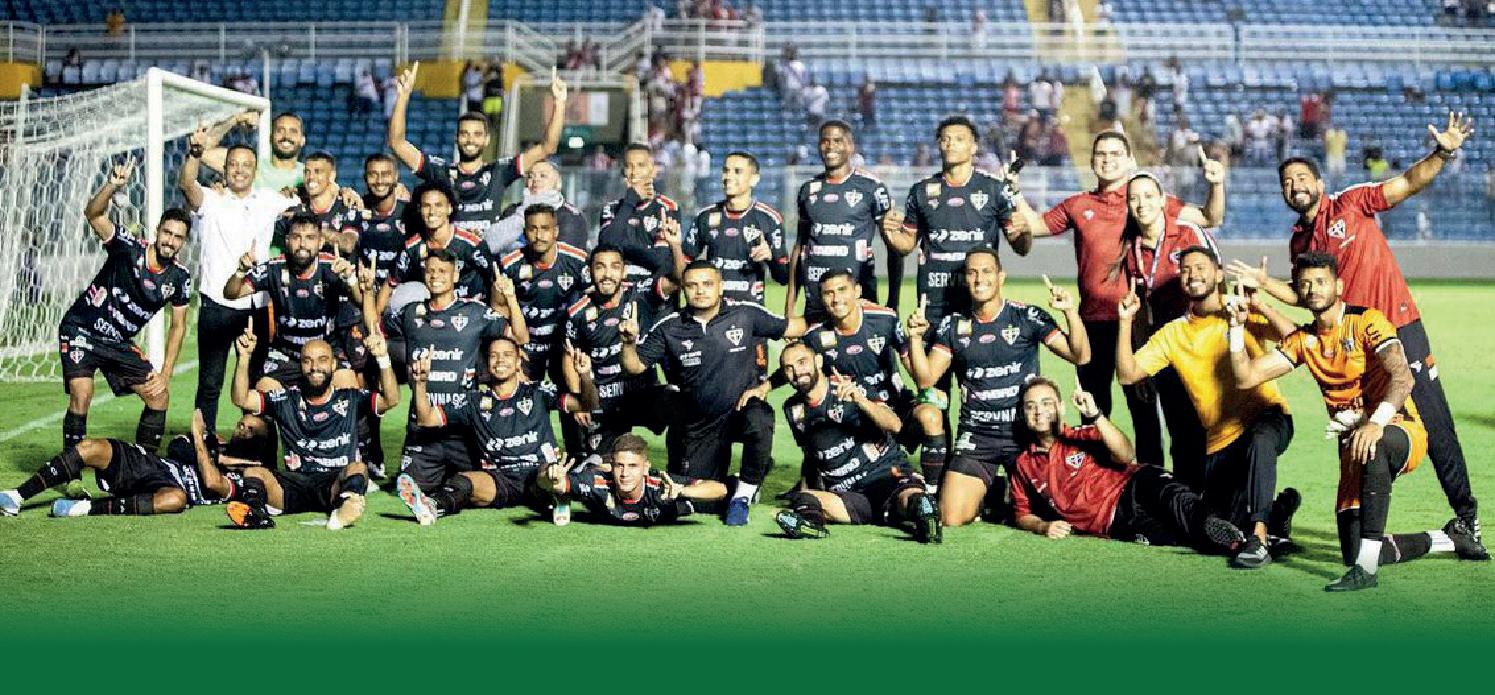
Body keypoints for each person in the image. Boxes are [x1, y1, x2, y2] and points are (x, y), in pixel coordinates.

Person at [1230, 112, 1481, 540]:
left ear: (1319, 183)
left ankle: (1466, 519)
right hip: (1353, 343)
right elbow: (1306, 294)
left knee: (1434, 421)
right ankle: (1361, 529)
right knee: (1358, 427)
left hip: (1398, 327)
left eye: (1301, 178)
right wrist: (1265, 284)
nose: (1295, 186)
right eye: (1287, 183)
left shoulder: (1351, 202)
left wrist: (1442, 153)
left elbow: (1408, 182)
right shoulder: (1299, 242)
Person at [1228, 251, 1487, 590]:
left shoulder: (1368, 321)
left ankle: (1365, 572)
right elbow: (1246, 377)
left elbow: (1403, 377)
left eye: (1320, 282)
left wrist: (1376, 422)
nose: (1313, 289)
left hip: (1398, 427)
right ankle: (1449, 538)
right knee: (1354, 547)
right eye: (1305, 284)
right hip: (1354, 446)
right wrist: (1236, 328)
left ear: (1338, 286)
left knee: (1373, 445)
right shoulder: (1304, 341)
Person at [1008, 131, 1225, 471]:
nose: (1107, 160)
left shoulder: (1144, 197)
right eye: (1101, 154)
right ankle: (1095, 481)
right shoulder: (1078, 204)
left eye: (1115, 153)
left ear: (1129, 160)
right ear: (1092, 161)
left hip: (1135, 326)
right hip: (1090, 325)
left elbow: (1210, 217)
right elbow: (1033, 226)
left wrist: (1216, 184)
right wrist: (1014, 190)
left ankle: (1153, 479)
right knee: (1092, 408)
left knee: (1144, 407)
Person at [1116, 246, 1299, 569]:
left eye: (1201, 267)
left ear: (1218, 274)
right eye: (1186, 270)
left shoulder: (1241, 309)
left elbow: (1298, 340)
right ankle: (1277, 514)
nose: (1193, 274)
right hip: (1220, 442)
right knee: (1214, 532)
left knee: (1260, 441)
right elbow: (1128, 374)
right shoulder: (1173, 333)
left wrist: (1259, 304)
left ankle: (1259, 537)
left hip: (1267, 417)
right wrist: (1125, 321)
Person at [881, 116, 1031, 486]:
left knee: (981, 393)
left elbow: (1021, 247)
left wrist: (1024, 228)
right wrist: (888, 233)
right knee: (935, 395)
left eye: (959, 139)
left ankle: (986, 470)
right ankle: (945, 473)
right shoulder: (922, 192)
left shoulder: (992, 190)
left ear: (973, 146)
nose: (950, 144)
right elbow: (906, 244)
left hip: (978, 313)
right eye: (945, 139)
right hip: (934, 310)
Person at [906, 249, 1090, 527]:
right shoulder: (953, 325)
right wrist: (915, 339)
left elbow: (1080, 355)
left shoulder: (1026, 316)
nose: (979, 279)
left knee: (1060, 509)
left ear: (1001, 277)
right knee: (951, 518)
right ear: (965, 279)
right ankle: (992, 491)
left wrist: (1069, 312)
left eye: (987, 271)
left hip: (1025, 436)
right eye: (972, 273)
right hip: (977, 437)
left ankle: (999, 489)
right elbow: (926, 379)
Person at [620, 261, 809, 525]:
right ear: (683, 289)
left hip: (741, 411)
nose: (700, 291)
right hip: (700, 423)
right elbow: (635, 365)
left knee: (761, 419)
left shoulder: (745, 314)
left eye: (707, 284)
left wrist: (843, 309)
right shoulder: (670, 327)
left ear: (720, 286)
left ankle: (743, 496)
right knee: (699, 502)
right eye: (692, 285)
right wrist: (629, 343)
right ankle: (745, 476)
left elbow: (796, 328)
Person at [1011, 377, 1247, 555]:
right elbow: (1022, 514)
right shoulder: (1024, 464)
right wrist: (1043, 526)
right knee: (1178, 536)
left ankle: (1237, 531)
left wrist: (1096, 416)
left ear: (1061, 408)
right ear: (1023, 413)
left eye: (1046, 403)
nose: (1039, 411)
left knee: (1179, 503)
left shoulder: (1082, 435)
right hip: (1116, 523)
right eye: (1030, 406)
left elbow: (1126, 454)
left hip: (1135, 484)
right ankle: (1242, 534)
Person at [58, 158, 191, 454]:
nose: (170, 241)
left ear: (184, 242)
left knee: (159, 396)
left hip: (117, 343)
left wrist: (165, 374)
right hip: (82, 330)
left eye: (178, 237)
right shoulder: (128, 247)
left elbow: (178, 327)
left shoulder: (180, 278)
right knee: (82, 393)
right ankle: (70, 469)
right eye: (167, 233)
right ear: (157, 230)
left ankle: (144, 466)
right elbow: (93, 214)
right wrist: (112, 186)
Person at [396, 336, 598, 524]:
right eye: (494, 355)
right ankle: (431, 507)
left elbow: (586, 404)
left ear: (518, 362)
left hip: (538, 473)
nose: (500, 360)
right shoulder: (474, 401)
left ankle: (558, 495)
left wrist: (585, 377)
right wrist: (420, 383)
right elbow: (426, 419)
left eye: (507, 355)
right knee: (463, 482)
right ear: (487, 363)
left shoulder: (538, 392)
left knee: (549, 474)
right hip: (500, 479)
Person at [179, 128, 299, 436]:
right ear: (225, 169)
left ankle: (254, 440)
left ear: (255, 171)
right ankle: (203, 442)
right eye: (233, 164)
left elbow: (309, 204)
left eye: (246, 165)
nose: (240, 170)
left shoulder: (270, 200)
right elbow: (187, 185)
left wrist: (343, 192)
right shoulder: (212, 200)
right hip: (217, 305)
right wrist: (195, 154)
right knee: (210, 381)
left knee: (256, 380)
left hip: (255, 306)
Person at [227, 331, 399, 530]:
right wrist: (244, 358)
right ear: (300, 366)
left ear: (333, 365)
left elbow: (391, 399)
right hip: (295, 484)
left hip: (334, 484)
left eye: (322, 360)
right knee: (254, 472)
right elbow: (241, 399)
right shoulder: (285, 399)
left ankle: (346, 507)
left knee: (358, 468)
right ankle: (255, 513)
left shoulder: (351, 398)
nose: (315, 367)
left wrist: (383, 358)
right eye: (307, 361)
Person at [773, 342, 942, 543]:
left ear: (818, 361)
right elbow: (810, 455)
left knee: (909, 497)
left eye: (802, 362)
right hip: (849, 495)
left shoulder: (852, 386)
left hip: (885, 476)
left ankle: (926, 516)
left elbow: (895, 425)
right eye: (789, 368)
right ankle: (810, 526)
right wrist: (804, 490)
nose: (797, 372)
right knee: (805, 499)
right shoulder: (792, 408)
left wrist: (861, 401)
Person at [393, 248, 523, 493]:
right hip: (423, 429)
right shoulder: (411, 313)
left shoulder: (475, 312)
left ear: (455, 276)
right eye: (431, 271)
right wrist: (365, 290)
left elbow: (520, 336)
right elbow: (375, 326)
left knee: (480, 486)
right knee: (409, 489)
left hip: (463, 428)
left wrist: (511, 299)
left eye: (443, 271)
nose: (435, 276)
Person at [388, 62, 568, 238]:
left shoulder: (499, 172)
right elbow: (397, 144)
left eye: (477, 134)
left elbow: (548, 146)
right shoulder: (440, 171)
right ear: (456, 138)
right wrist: (402, 97)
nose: (470, 140)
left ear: (486, 139)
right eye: (464, 134)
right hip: (448, 255)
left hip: (486, 254)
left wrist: (559, 103)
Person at [1115, 172, 1213, 488]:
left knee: (1209, 427)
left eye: (1148, 196)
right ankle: (1184, 501)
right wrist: (1142, 363)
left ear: (1162, 200)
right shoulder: (1131, 248)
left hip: (1202, 347)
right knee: (1179, 430)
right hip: (1165, 350)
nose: (1141, 203)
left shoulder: (1188, 233)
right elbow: (1140, 309)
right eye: (1134, 198)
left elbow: (1217, 281)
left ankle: (1221, 500)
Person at [1, 411, 269, 518]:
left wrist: (199, 440)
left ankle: (84, 509)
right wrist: (209, 452)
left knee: (176, 500)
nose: (241, 430)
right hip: (151, 465)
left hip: (168, 488)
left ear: (260, 443)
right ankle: (17, 496)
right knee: (90, 447)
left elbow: (211, 482)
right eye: (241, 424)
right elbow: (177, 446)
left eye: (250, 430)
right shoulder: (215, 444)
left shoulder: (247, 476)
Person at [563, 244, 678, 463]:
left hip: (641, 392)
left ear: (624, 271)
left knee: (679, 404)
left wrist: (675, 245)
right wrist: (580, 400)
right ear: (590, 271)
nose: (607, 274)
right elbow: (568, 356)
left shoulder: (641, 294)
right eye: (600, 267)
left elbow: (676, 280)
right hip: (604, 399)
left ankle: (681, 469)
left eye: (614, 267)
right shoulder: (578, 312)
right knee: (601, 467)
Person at [222, 212, 362, 387]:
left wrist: (351, 279)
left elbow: (361, 301)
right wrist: (240, 271)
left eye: (310, 238)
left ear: (320, 242)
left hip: (325, 350)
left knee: (349, 388)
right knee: (261, 394)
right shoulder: (274, 268)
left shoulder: (333, 267)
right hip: (286, 353)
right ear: (287, 241)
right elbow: (231, 293)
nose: (302, 244)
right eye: (296, 237)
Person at [785, 120, 896, 323]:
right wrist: (790, 307)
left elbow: (894, 246)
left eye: (837, 141)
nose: (830, 146)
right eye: (825, 141)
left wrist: (893, 301)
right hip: (817, 300)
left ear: (850, 146)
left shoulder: (872, 188)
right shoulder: (808, 190)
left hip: (859, 300)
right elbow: (800, 247)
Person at [537, 434, 728, 526]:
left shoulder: (662, 486)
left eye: (633, 466)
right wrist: (550, 474)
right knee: (564, 485)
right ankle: (565, 496)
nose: (625, 474)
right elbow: (544, 482)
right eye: (620, 466)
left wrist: (683, 491)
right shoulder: (597, 483)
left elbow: (720, 490)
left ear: (645, 467)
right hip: (594, 478)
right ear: (613, 465)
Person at [682, 151, 789, 305]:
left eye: (737, 171)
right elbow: (683, 265)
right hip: (714, 311)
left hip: (750, 312)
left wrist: (771, 259)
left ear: (754, 179)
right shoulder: (705, 217)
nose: (728, 176)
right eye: (726, 170)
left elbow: (783, 277)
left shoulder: (769, 219)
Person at [376, 183, 500, 313]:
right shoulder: (411, 247)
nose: (432, 212)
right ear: (419, 209)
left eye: (438, 205)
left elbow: (496, 281)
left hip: (470, 314)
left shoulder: (472, 244)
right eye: (426, 206)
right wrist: (376, 322)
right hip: (432, 316)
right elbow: (390, 284)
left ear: (449, 208)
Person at [499, 205, 590, 383]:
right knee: (523, 396)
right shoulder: (510, 265)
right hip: (527, 345)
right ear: (524, 233)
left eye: (545, 229)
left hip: (564, 344)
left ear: (556, 231)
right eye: (533, 229)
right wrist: (512, 346)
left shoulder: (578, 261)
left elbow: (592, 300)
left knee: (573, 394)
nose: (539, 236)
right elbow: (499, 310)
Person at [598, 143, 682, 296]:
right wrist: (631, 200)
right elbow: (606, 245)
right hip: (618, 293)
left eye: (641, 165)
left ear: (653, 170)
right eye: (629, 166)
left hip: (651, 293)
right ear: (623, 172)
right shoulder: (612, 209)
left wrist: (623, 245)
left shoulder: (667, 208)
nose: (634, 172)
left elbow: (660, 260)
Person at [492, 160, 589, 253]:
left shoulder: (570, 217)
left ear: (558, 183)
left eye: (543, 176)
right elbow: (491, 245)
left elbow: (563, 259)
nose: (536, 180)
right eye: (530, 176)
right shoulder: (512, 211)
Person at [199, 111, 307, 192]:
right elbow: (201, 151)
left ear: (303, 140)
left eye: (293, 131)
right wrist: (235, 119)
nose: (286, 136)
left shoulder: (309, 174)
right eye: (280, 130)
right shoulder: (250, 166)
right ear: (270, 137)